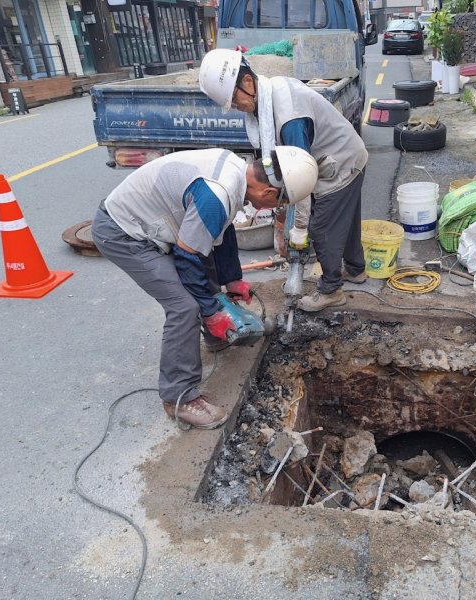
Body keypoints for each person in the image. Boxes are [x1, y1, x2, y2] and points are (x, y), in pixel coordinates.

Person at [91, 147, 318, 430]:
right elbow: (188, 258)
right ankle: (179, 398)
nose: (276, 209)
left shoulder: (237, 171)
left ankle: (218, 335)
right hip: (124, 233)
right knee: (184, 307)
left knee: (205, 279)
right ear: (271, 192)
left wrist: (232, 278)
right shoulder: (216, 193)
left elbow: (221, 232)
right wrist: (210, 310)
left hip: (159, 224)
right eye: (280, 203)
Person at [199, 49, 369, 312]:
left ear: (247, 82)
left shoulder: (290, 117)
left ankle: (332, 290)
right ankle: (356, 270)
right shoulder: (265, 99)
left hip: (340, 161)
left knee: (323, 228)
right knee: (343, 219)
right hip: (341, 154)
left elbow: (299, 182)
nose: (236, 108)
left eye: (234, 101)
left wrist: (297, 229)